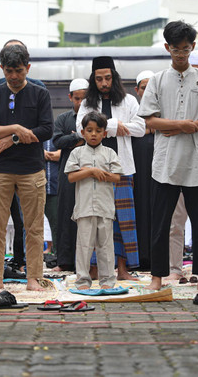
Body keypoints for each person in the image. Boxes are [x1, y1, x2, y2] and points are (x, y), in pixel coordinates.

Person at [138, 21, 198, 291]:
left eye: (186, 50)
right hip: (164, 164)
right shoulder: (158, 80)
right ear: (167, 48)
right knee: (161, 224)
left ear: (193, 48)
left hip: (196, 162)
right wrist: (181, 126)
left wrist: (191, 127)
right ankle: (157, 277)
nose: (181, 55)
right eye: (176, 50)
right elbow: (150, 121)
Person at [0, 44, 53, 291]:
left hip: (32, 170)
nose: (14, 76)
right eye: (9, 70)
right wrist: (17, 129)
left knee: (34, 228)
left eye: (19, 71)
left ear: (28, 68)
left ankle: (33, 278)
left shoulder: (40, 93)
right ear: (1, 68)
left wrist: (11, 139)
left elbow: (46, 130)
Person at [77, 56, 145, 280]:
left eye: (107, 78)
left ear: (114, 78)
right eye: (99, 79)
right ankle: (95, 268)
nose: (104, 83)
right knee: (96, 219)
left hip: (122, 168)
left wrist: (109, 126)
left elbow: (141, 128)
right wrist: (119, 127)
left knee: (123, 220)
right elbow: (80, 129)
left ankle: (123, 269)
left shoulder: (128, 101)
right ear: (93, 80)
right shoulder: (87, 103)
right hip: (93, 168)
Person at [66, 112, 124, 289]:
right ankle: (83, 281)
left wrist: (100, 173)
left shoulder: (109, 152)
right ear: (82, 132)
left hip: (105, 207)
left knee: (106, 247)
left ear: (104, 133)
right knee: (84, 246)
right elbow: (71, 177)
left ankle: (107, 281)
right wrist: (90, 172)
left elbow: (117, 177)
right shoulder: (76, 152)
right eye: (89, 130)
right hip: (84, 208)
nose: (93, 134)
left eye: (98, 130)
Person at [52, 79, 88, 271]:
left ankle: (88, 262)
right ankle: (65, 261)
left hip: (90, 171)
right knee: (66, 214)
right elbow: (58, 141)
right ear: (70, 98)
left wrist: (75, 138)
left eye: (84, 98)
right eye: (77, 98)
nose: (81, 102)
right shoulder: (63, 118)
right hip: (68, 171)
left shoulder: (94, 117)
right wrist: (77, 137)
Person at [131, 70, 155, 270]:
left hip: (159, 168)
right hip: (138, 167)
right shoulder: (132, 110)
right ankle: (140, 257)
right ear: (137, 90)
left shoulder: (166, 110)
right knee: (139, 208)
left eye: (151, 87)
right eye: (144, 88)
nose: (147, 92)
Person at [43, 139, 60, 254]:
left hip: (55, 187)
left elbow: (62, 154)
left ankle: (57, 253)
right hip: (36, 187)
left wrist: (46, 155)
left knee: (56, 222)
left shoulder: (58, 133)